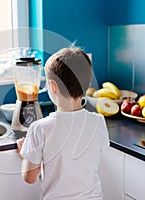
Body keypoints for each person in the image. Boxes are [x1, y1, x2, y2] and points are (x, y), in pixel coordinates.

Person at [16, 46, 110, 200]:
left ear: (53, 86)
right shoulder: (98, 121)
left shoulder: (40, 128)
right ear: (87, 85)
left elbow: (30, 177)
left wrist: (24, 153)